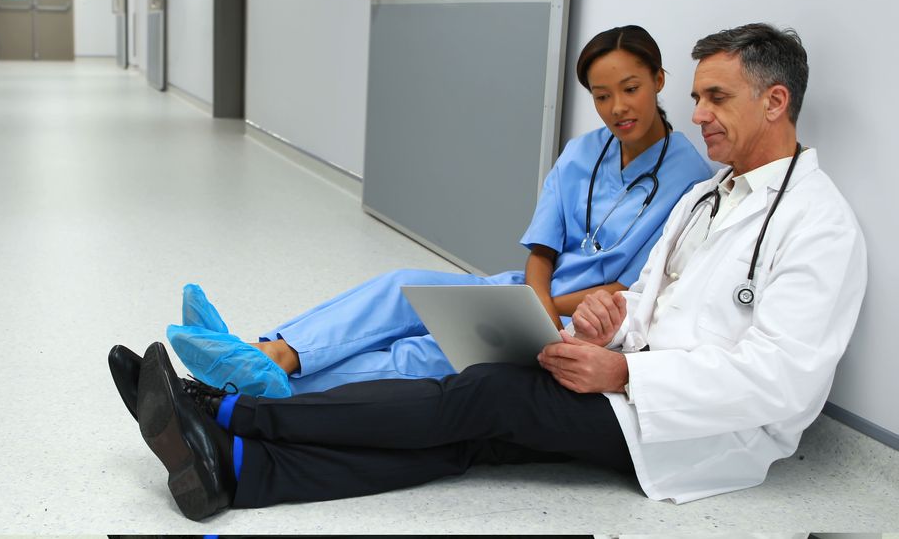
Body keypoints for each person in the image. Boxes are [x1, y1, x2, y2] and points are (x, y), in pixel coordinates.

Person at [128, 23, 867, 521]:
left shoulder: (818, 224)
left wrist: (626, 375)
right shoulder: (711, 196)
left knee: (479, 393)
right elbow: (653, 297)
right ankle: (237, 470)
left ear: (776, 102)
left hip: (702, 430)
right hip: (625, 372)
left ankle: (225, 410)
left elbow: (785, 383)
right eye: (699, 95)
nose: (698, 112)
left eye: (717, 98)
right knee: (466, 436)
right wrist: (617, 323)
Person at [108, 25, 713, 411]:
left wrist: (546, 310)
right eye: (602, 96)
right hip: (522, 297)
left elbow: (630, 292)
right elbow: (541, 254)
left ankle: (234, 390)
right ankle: (268, 354)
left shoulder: (689, 178)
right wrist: (528, 303)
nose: (616, 108)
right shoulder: (583, 152)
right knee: (401, 287)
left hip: (585, 327)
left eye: (630, 89)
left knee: (420, 354)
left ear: (659, 81)